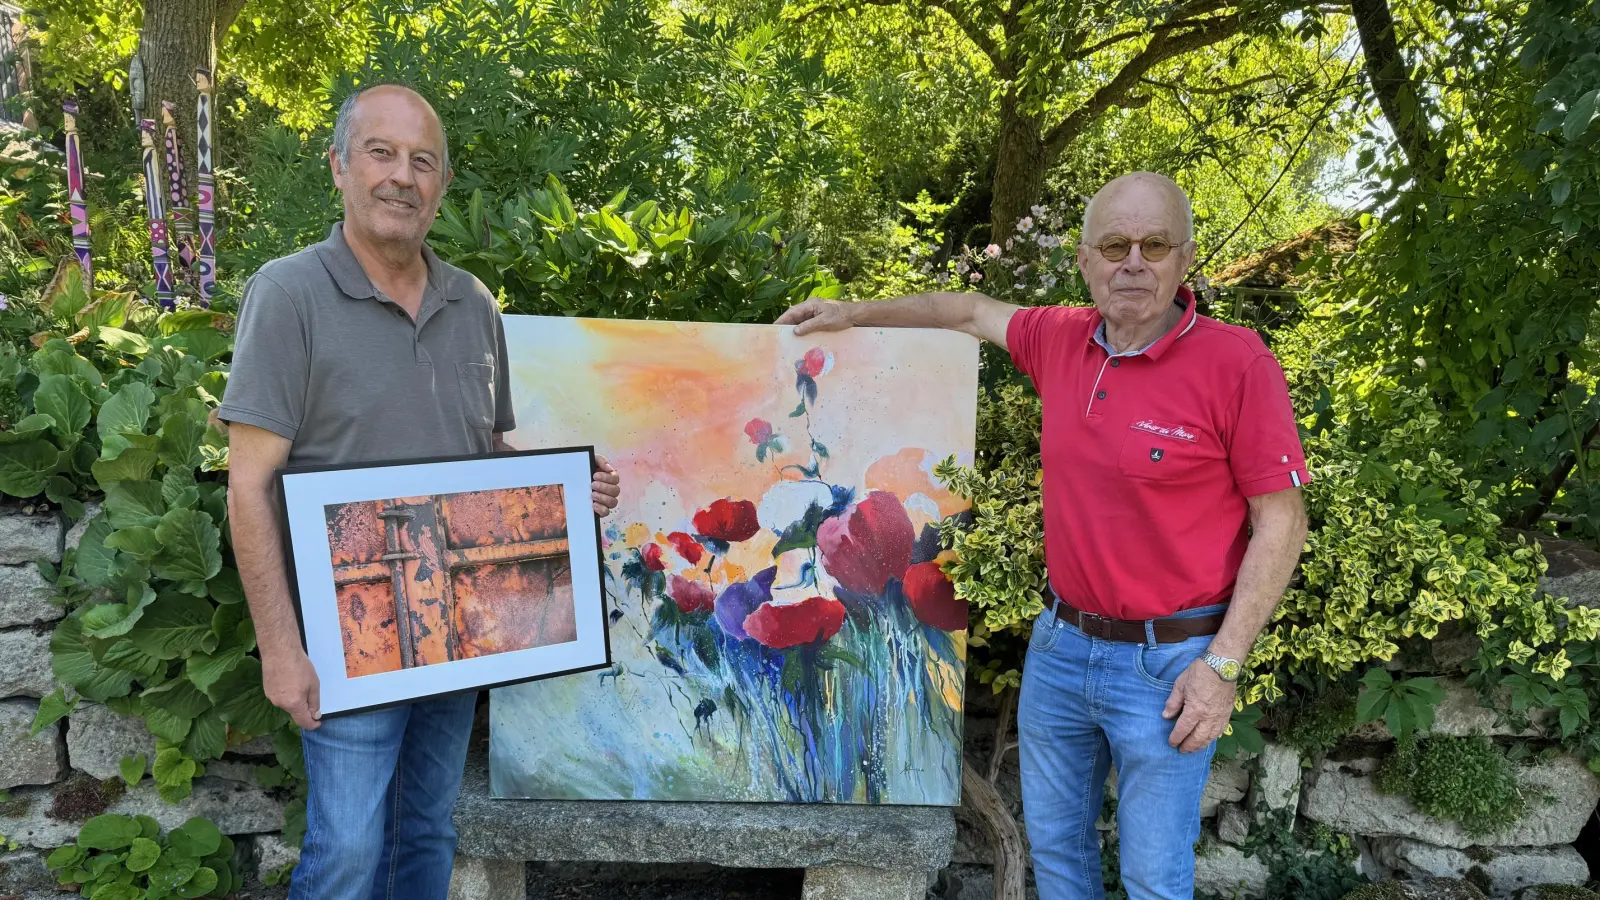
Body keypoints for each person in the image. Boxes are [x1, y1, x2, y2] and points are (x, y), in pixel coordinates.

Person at [776, 172, 1310, 899]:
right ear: (1086, 261)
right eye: (1114, 244)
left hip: (1170, 664)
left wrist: (1221, 666)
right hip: (1061, 650)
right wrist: (852, 312)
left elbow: (1281, 520)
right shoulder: (1057, 338)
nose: (1134, 262)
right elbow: (963, 311)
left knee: (1154, 880)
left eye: (1155, 245)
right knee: (1059, 860)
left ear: (1184, 259)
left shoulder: (1236, 362)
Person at [220, 84, 622, 900]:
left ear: (440, 185)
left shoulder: (473, 303)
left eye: (423, 161)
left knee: (426, 838)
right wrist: (281, 649)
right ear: (339, 166)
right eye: (381, 153)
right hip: (350, 641)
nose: (402, 177)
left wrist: (562, 493)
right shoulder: (288, 294)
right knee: (347, 858)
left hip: (458, 634)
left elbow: (485, 451)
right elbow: (248, 484)